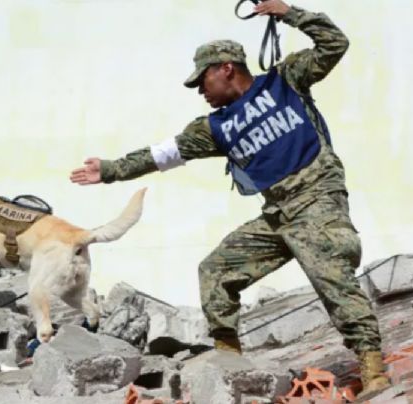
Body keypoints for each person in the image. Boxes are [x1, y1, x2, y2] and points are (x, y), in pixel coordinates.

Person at [69, 0, 390, 399]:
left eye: (202, 80)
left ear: (226, 68)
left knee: (331, 275)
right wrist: (113, 169)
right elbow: (164, 153)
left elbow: (334, 43)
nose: (200, 90)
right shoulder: (214, 127)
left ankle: (374, 368)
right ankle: (230, 362)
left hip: (317, 198)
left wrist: (287, 13)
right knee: (216, 271)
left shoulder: (285, 80)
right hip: (278, 215)